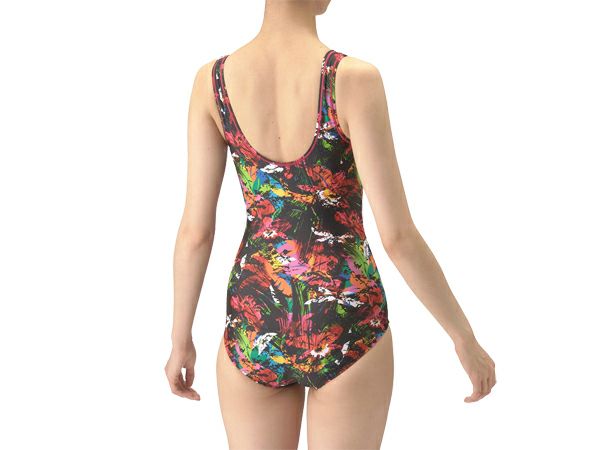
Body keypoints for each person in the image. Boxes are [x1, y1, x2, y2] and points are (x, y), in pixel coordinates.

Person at [165, 0, 496, 448]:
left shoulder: (213, 82)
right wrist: (462, 337)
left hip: (256, 317)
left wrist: (180, 339)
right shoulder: (353, 79)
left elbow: (195, 232)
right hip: (346, 316)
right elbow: (398, 237)